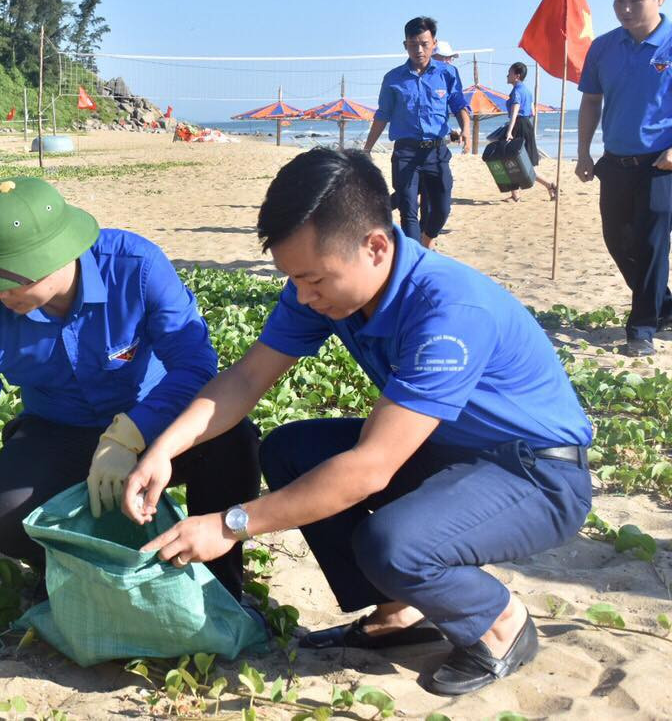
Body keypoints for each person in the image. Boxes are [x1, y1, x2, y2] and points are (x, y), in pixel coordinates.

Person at [122, 148, 592, 696]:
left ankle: (499, 621)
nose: (302, 295)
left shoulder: (448, 312)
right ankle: (401, 611)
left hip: (535, 476)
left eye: (315, 279)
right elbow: (247, 380)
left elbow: (370, 468)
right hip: (448, 452)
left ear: (376, 245)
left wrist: (229, 525)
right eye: (293, 278)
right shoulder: (323, 291)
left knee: (393, 544)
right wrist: (164, 450)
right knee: (291, 451)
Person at [0, 177, 262, 606]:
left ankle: (222, 582)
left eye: (10, 282)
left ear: (55, 257)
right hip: (58, 430)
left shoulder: (135, 267)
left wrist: (133, 433)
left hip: (154, 422)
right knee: (4, 513)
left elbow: (196, 365)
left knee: (233, 440)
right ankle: (74, 569)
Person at [575, 0, 672, 358]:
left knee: (652, 244)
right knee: (618, 239)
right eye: (618, 1)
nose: (625, 9)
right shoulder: (602, 48)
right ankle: (664, 307)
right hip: (615, 161)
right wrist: (583, 151)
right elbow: (591, 102)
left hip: (661, 164)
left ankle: (642, 329)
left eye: (635, 0)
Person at [363, 17, 471, 247]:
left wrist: (466, 131)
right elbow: (382, 115)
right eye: (413, 44)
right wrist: (367, 148)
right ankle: (414, 259)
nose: (419, 50)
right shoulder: (393, 79)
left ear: (434, 43)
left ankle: (426, 240)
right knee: (408, 209)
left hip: (436, 153)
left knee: (441, 208)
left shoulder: (447, 74)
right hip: (406, 153)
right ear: (405, 45)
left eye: (424, 43)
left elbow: (459, 105)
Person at [503, 62, 556, 202]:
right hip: (527, 125)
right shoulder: (526, 90)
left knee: (513, 160)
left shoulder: (517, 91)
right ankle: (518, 194)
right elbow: (532, 111)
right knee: (519, 161)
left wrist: (509, 131)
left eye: (510, 72)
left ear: (517, 75)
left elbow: (515, 112)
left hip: (519, 125)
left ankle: (548, 185)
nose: (507, 75)